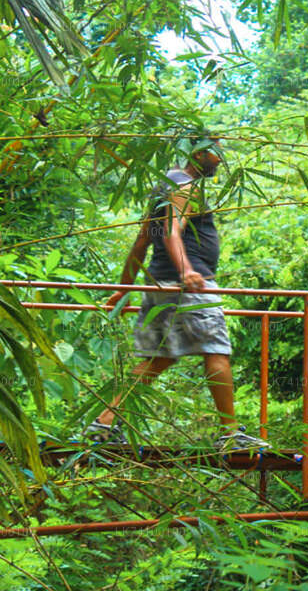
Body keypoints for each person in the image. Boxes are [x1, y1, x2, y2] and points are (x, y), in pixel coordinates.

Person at [86, 136, 266, 451]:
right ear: (197, 151)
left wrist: (123, 290)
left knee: (156, 360)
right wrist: (186, 270)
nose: (220, 160)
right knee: (215, 351)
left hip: (159, 287)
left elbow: (143, 240)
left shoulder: (164, 185)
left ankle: (104, 422)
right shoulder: (186, 187)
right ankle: (231, 433)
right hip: (189, 287)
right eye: (216, 152)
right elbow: (171, 231)